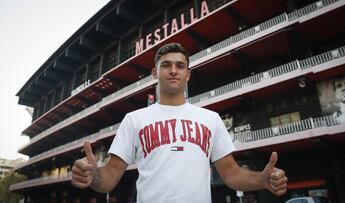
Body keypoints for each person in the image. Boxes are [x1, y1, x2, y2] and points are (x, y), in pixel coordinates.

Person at [71, 43, 288, 203]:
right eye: (166, 65)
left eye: (180, 66)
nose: (173, 70)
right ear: (155, 73)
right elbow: (109, 178)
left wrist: (262, 180)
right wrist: (93, 175)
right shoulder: (134, 119)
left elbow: (231, 174)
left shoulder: (210, 119)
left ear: (188, 74)